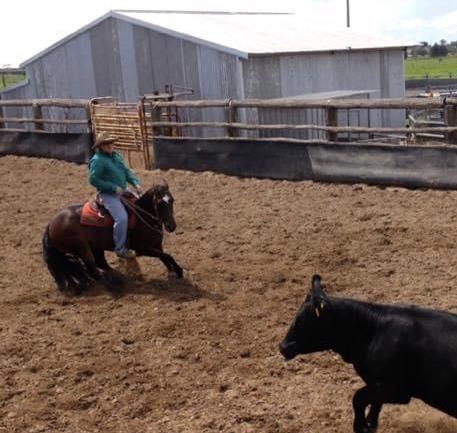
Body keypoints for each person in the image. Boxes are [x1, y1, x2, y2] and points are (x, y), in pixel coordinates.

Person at [88, 132, 143, 259]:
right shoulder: (97, 160)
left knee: (141, 205)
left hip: (123, 190)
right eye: (105, 143)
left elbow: (126, 171)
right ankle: (120, 249)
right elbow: (93, 180)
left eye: (111, 142)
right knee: (122, 218)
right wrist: (113, 187)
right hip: (108, 194)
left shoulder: (117, 155)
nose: (109, 145)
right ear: (100, 146)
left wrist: (136, 183)